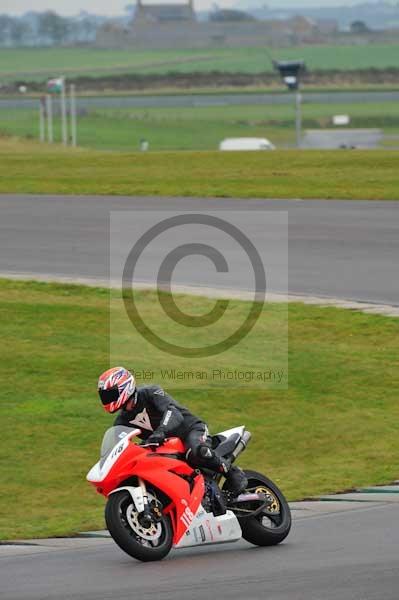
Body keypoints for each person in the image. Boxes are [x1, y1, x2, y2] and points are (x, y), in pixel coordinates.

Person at [97, 366, 248, 494]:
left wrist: (161, 431)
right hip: (164, 446)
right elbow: (116, 447)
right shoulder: (121, 421)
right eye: (105, 396)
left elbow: (174, 413)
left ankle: (231, 472)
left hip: (190, 430)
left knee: (197, 452)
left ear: (124, 386)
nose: (107, 399)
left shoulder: (151, 393)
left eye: (110, 394)